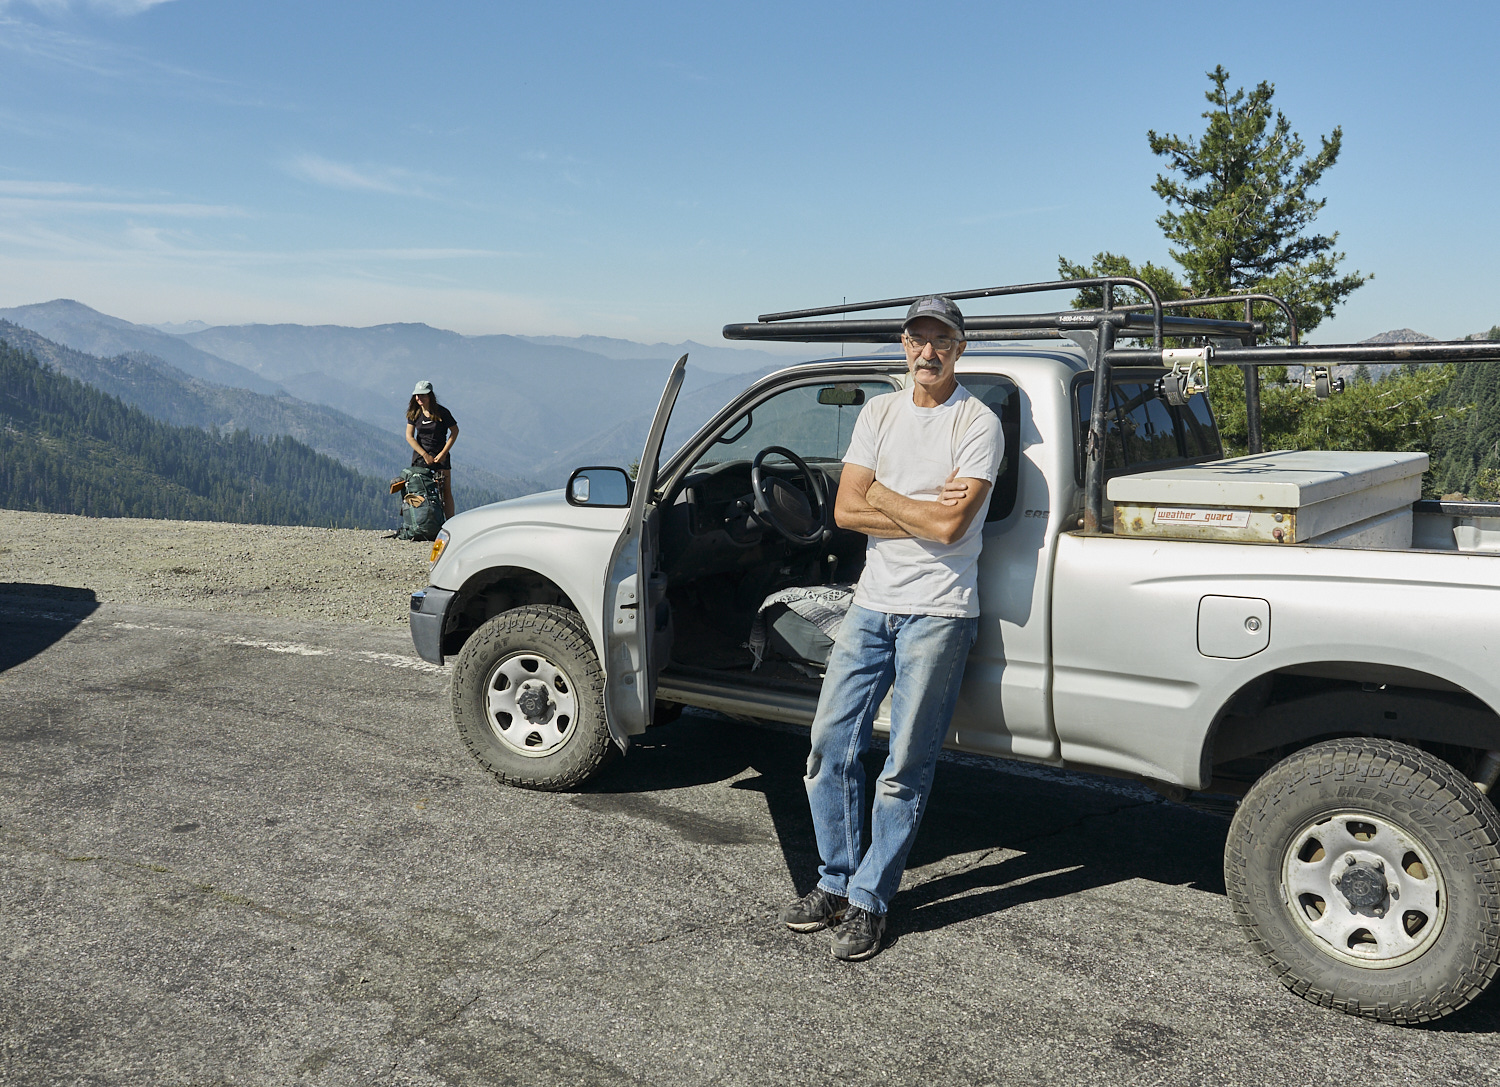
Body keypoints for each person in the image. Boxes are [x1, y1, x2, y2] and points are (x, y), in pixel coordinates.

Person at [778, 295, 1003, 961]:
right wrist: (912, 506)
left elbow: (949, 527)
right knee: (828, 748)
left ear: (959, 348)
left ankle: (872, 900)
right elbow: (848, 510)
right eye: (917, 339)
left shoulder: (977, 424)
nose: (927, 352)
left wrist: (884, 495)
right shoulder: (879, 411)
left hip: (939, 609)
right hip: (872, 603)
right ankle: (837, 881)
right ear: (903, 345)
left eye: (940, 340)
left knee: (905, 764)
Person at [405, 380, 459, 518]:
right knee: (418, 489)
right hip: (420, 456)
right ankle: (420, 521)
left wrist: (443, 453)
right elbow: (409, 436)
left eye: (422, 395)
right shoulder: (414, 413)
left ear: (430, 396)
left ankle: (449, 523)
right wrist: (424, 454)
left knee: (446, 490)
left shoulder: (442, 412)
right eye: (417, 395)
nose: (419, 398)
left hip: (441, 455)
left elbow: (455, 431)